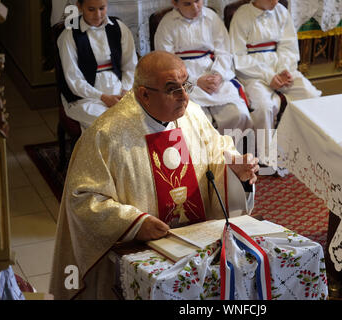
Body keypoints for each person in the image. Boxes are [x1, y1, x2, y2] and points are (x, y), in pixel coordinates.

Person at [49, 51, 259, 300]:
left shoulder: (192, 114)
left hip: (199, 241)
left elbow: (218, 153)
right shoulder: (105, 135)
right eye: (173, 89)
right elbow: (82, 199)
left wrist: (235, 171)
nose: (185, 96)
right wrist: (135, 223)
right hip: (140, 249)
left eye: (186, 84)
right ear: (144, 94)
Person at [229, 0, 321, 163]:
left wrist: (283, 70)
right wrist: (268, 76)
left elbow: (289, 47)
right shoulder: (241, 16)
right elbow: (239, 57)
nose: (276, 1)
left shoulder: (281, 12)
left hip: (280, 69)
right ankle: (266, 157)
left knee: (310, 94)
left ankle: (303, 146)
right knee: (264, 107)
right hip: (253, 74)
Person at [154, 0, 253, 135]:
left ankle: (229, 152)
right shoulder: (167, 25)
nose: (195, 7)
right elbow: (166, 62)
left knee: (239, 114)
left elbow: (224, 51)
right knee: (198, 121)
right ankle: (205, 154)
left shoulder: (212, 18)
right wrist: (195, 81)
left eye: (197, 1)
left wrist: (218, 75)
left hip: (212, 73)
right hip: (185, 80)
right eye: (187, 4)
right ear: (175, 4)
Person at [57, 0, 138, 131]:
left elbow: (130, 65)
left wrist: (125, 92)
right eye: (91, 9)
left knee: (140, 117)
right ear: (79, 6)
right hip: (85, 97)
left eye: (102, 8)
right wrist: (103, 97)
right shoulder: (69, 35)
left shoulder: (119, 28)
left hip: (120, 90)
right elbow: (74, 79)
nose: (98, 14)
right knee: (108, 123)